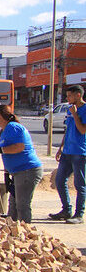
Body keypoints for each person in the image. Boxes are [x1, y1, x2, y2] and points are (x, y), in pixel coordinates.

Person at [0, 105, 42, 223]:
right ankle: (12, 229)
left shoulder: (13, 127)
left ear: (0, 115)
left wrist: (0, 150)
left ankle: (25, 229)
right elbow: (8, 155)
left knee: (22, 205)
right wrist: (6, 174)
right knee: (13, 205)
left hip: (27, 170)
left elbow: (19, 147)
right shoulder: (5, 130)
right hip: (17, 172)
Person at [49, 85, 86, 224]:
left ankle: (79, 214)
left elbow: (82, 130)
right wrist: (61, 147)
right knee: (59, 180)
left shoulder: (83, 110)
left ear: (78, 95)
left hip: (79, 152)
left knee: (79, 184)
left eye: (70, 95)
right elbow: (68, 129)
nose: (67, 98)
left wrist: (75, 114)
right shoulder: (70, 109)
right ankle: (66, 210)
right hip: (67, 152)